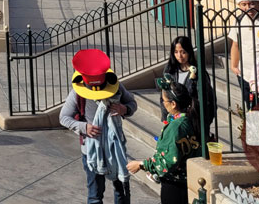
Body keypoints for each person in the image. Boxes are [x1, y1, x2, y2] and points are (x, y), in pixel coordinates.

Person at [58, 49, 136, 204]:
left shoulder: (118, 88)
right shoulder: (77, 94)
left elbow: (132, 103)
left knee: (122, 191)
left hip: (116, 149)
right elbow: (63, 117)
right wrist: (84, 127)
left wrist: (124, 109)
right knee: (95, 195)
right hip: (91, 151)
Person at [126, 77, 200, 204]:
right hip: (187, 182)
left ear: (173, 104)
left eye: (164, 100)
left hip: (175, 186)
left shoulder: (175, 127)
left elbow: (167, 162)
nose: (162, 103)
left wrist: (141, 164)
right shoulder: (188, 119)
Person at [227, 0, 259, 108]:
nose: (248, 8)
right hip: (245, 72)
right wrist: (234, 66)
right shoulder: (239, 20)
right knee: (251, 107)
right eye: (244, 4)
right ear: (239, 6)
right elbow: (236, 45)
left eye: (252, 4)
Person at [161, 36, 214, 128]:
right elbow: (164, 96)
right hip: (173, 118)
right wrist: (165, 118)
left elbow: (206, 99)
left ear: (189, 52)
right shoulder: (170, 70)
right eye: (176, 52)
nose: (179, 56)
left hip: (192, 120)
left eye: (183, 52)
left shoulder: (198, 73)